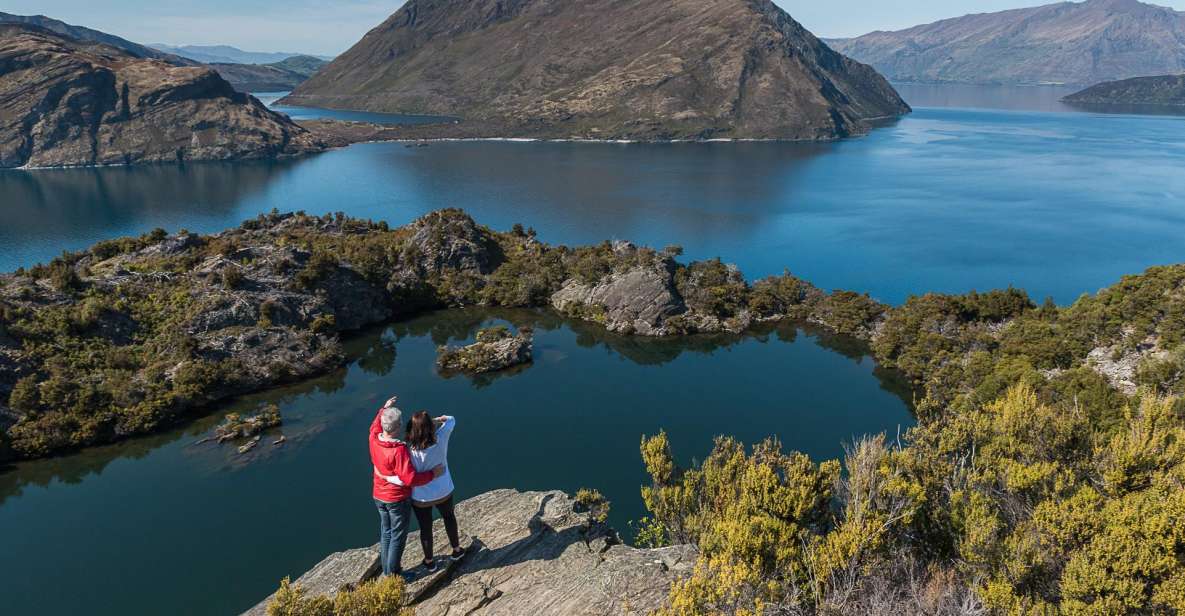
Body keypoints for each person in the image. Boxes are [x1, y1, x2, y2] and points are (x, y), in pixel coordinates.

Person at [369, 396, 444, 579]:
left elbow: (375, 425)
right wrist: (433, 474)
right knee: (398, 537)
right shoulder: (398, 450)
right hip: (397, 499)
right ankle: (394, 575)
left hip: (379, 495)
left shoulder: (374, 438)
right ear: (398, 426)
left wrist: (384, 409)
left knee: (386, 533)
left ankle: (387, 571)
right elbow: (410, 478)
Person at [378, 411, 461, 572]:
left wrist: (385, 477)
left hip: (421, 497)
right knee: (449, 518)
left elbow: (404, 476)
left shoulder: (406, 448)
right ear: (430, 427)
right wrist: (435, 420)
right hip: (444, 490)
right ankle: (457, 550)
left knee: (425, 527)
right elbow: (451, 419)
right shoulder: (441, 438)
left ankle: (430, 561)